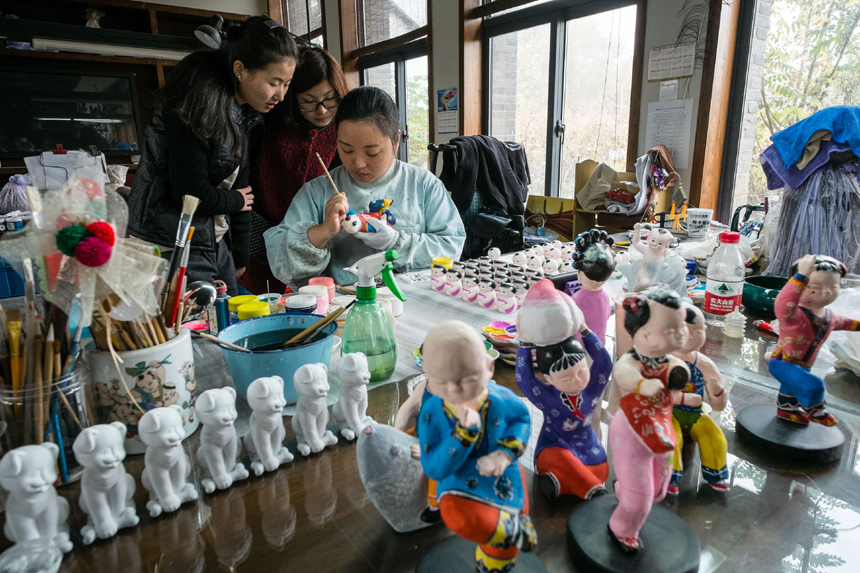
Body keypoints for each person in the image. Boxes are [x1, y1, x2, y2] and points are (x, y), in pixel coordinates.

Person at [127, 17, 298, 296]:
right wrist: (236, 201)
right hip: (170, 240)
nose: (280, 95)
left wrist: (240, 256)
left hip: (213, 239)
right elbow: (189, 195)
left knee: (226, 318)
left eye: (287, 84)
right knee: (195, 327)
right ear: (240, 69)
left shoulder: (247, 112)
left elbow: (243, 190)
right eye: (274, 82)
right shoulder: (195, 103)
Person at [264, 86, 465, 287]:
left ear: (396, 140)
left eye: (372, 153)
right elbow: (281, 265)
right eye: (347, 150)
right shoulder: (318, 192)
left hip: (412, 304)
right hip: (344, 308)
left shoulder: (423, 185)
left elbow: (451, 248)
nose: (358, 163)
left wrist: (395, 243)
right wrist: (321, 232)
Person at [418, 320, 535, 573]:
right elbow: (434, 467)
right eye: (440, 381)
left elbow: (521, 419)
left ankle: (503, 547)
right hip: (459, 484)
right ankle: (510, 533)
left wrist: (504, 455)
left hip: (503, 474)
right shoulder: (431, 412)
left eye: (467, 379)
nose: (454, 389)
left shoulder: (501, 399)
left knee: (504, 549)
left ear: (489, 368)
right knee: (459, 516)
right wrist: (461, 436)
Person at [240, 44, 349, 294]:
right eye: (308, 102)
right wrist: (248, 246)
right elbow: (242, 185)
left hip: (316, 248)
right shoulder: (267, 123)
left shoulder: (341, 129)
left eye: (330, 99)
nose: (321, 111)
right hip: (259, 243)